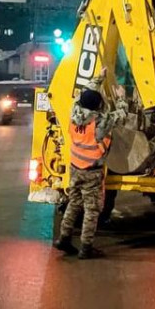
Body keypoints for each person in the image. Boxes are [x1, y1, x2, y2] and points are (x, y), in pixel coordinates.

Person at [54, 76, 127, 260]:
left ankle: (64, 238)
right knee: (92, 210)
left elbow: (83, 93)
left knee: (74, 203)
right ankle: (86, 247)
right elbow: (122, 116)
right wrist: (121, 98)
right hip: (91, 171)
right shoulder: (100, 122)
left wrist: (98, 78)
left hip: (75, 167)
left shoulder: (74, 113)